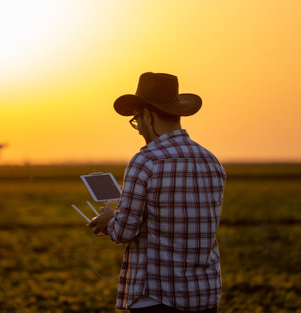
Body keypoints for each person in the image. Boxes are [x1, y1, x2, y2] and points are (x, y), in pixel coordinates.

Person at [89, 72, 226, 313]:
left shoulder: (146, 160)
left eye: (136, 119)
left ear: (148, 115)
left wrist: (109, 220)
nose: (139, 128)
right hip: (205, 294)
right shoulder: (211, 160)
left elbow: (123, 231)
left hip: (157, 296)